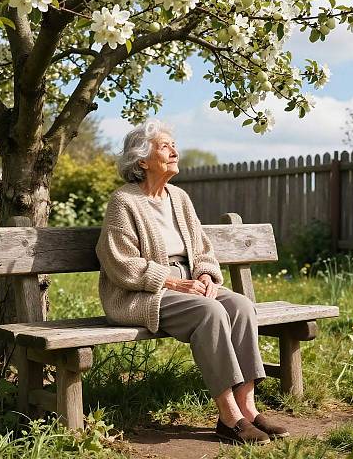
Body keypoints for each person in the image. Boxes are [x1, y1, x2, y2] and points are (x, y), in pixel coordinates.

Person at [96, 119, 289, 445]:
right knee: (209, 313)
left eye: (174, 145)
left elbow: (202, 249)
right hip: (142, 294)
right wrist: (171, 281)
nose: (175, 151)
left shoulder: (179, 197)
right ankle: (229, 419)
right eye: (165, 146)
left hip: (190, 285)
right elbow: (120, 264)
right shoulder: (123, 201)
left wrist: (205, 274)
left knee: (241, 306)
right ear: (142, 160)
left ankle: (248, 408)